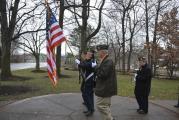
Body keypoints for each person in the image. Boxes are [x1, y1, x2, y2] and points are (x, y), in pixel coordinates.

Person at [94, 44, 117, 120]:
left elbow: (102, 74)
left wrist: (96, 67)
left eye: (98, 52)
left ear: (102, 52)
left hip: (105, 88)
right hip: (105, 87)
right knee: (105, 106)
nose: (97, 53)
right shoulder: (105, 60)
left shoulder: (108, 61)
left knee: (101, 105)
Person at [75, 50, 97, 116]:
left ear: (91, 56)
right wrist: (78, 64)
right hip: (86, 81)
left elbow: (87, 65)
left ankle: (90, 109)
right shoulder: (86, 61)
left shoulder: (93, 61)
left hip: (90, 81)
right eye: (86, 54)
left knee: (87, 95)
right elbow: (82, 66)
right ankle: (90, 108)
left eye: (88, 54)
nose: (86, 55)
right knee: (87, 95)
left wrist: (79, 63)